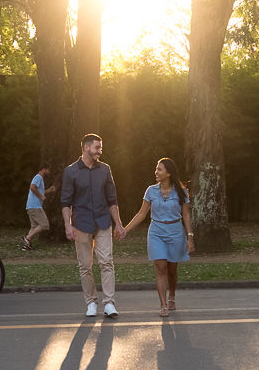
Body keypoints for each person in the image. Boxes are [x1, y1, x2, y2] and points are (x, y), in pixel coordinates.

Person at [61, 134, 126, 318]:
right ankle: (90, 302)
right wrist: (68, 225)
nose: (100, 151)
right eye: (97, 147)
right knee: (85, 266)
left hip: (103, 221)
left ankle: (109, 303)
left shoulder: (105, 170)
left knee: (106, 261)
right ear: (86, 148)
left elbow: (112, 200)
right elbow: (65, 202)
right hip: (81, 223)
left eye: (100, 148)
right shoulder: (71, 171)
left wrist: (118, 224)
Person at [122, 158, 195, 317]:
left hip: (175, 232)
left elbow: (186, 215)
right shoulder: (151, 191)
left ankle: (172, 296)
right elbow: (141, 214)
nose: (156, 172)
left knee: (172, 270)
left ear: (168, 173)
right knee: (161, 268)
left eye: (159, 169)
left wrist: (190, 237)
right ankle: (163, 305)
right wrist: (125, 229)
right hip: (156, 232)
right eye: (156, 169)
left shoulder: (181, 192)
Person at [21, 163, 55, 251]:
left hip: (31, 206)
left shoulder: (39, 178)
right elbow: (32, 187)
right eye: (48, 170)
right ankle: (27, 238)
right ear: (44, 169)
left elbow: (40, 191)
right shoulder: (38, 177)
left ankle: (26, 246)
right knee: (44, 225)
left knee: (34, 226)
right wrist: (41, 197)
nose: (49, 172)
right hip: (35, 206)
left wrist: (49, 190)